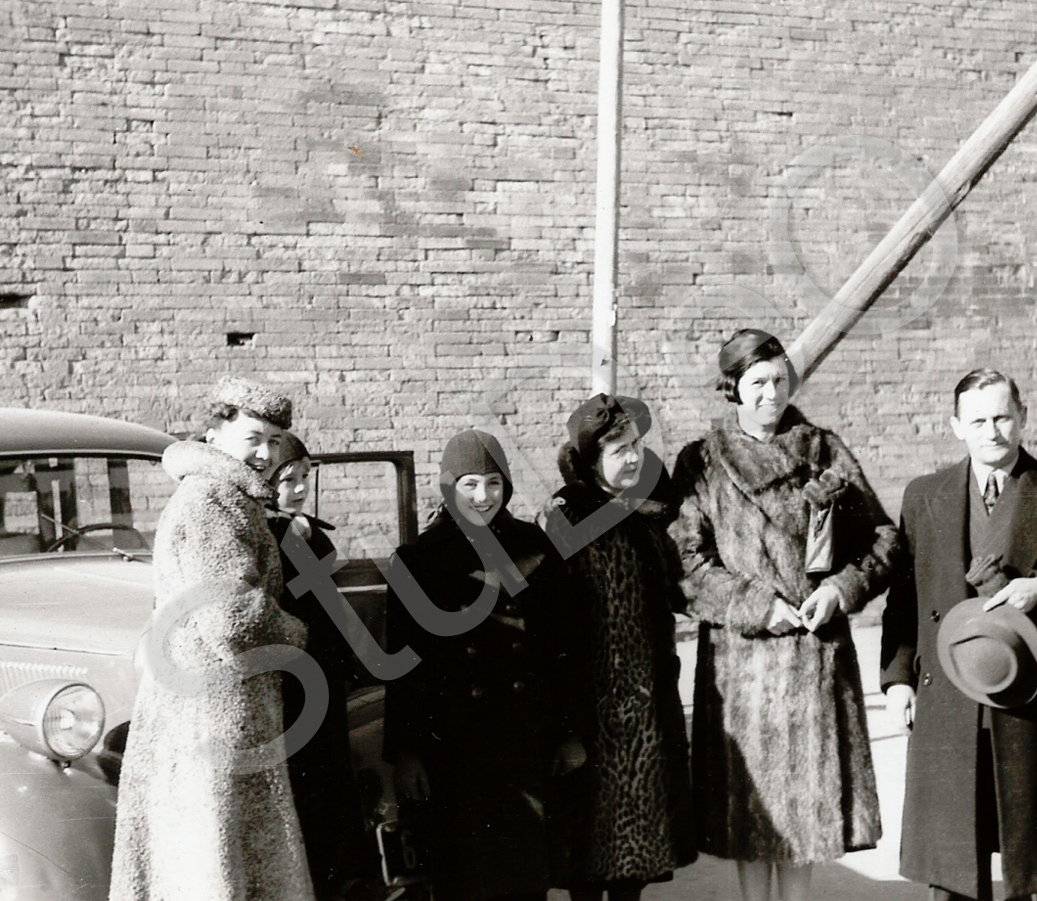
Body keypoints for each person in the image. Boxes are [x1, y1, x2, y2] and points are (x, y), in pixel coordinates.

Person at [880, 368, 1037, 901]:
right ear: (956, 426)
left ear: (1023, 417)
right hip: (950, 698)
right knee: (953, 862)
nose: (991, 432)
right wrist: (898, 679)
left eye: (1001, 418)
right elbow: (904, 600)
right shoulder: (924, 496)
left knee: (1033, 863)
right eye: (977, 421)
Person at [669, 329, 898, 901]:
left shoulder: (824, 451)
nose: (771, 394)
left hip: (814, 655)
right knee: (752, 813)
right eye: (757, 383)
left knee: (806, 810)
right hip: (741, 665)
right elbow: (685, 563)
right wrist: (754, 605)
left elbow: (883, 540)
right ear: (732, 388)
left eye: (779, 381)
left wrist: (841, 590)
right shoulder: (703, 461)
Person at [110, 376, 314, 901]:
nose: (265, 453)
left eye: (274, 441)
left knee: (211, 864)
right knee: (215, 867)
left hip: (213, 708)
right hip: (215, 714)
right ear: (215, 434)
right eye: (253, 438)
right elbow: (231, 620)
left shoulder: (227, 497)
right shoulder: (212, 502)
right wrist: (296, 633)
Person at [382, 429, 588, 901]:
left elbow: (565, 648)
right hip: (453, 745)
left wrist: (572, 731)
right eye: (470, 484)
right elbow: (404, 664)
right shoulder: (417, 560)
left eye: (494, 483)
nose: (483, 496)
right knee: (463, 879)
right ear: (449, 487)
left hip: (525, 738)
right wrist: (407, 752)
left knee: (525, 877)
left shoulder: (537, 548)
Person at [539, 394, 697, 901]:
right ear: (590, 461)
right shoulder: (565, 518)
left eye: (636, 446)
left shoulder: (644, 514)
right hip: (592, 713)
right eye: (619, 450)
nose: (633, 458)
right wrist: (568, 727)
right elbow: (554, 631)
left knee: (634, 862)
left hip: (644, 713)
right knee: (588, 859)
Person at [266, 434, 374, 898]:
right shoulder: (265, 535)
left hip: (322, 670)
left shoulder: (305, 531)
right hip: (289, 680)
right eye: (287, 479)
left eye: (304, 478)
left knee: (331, 779)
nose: (298, 489)